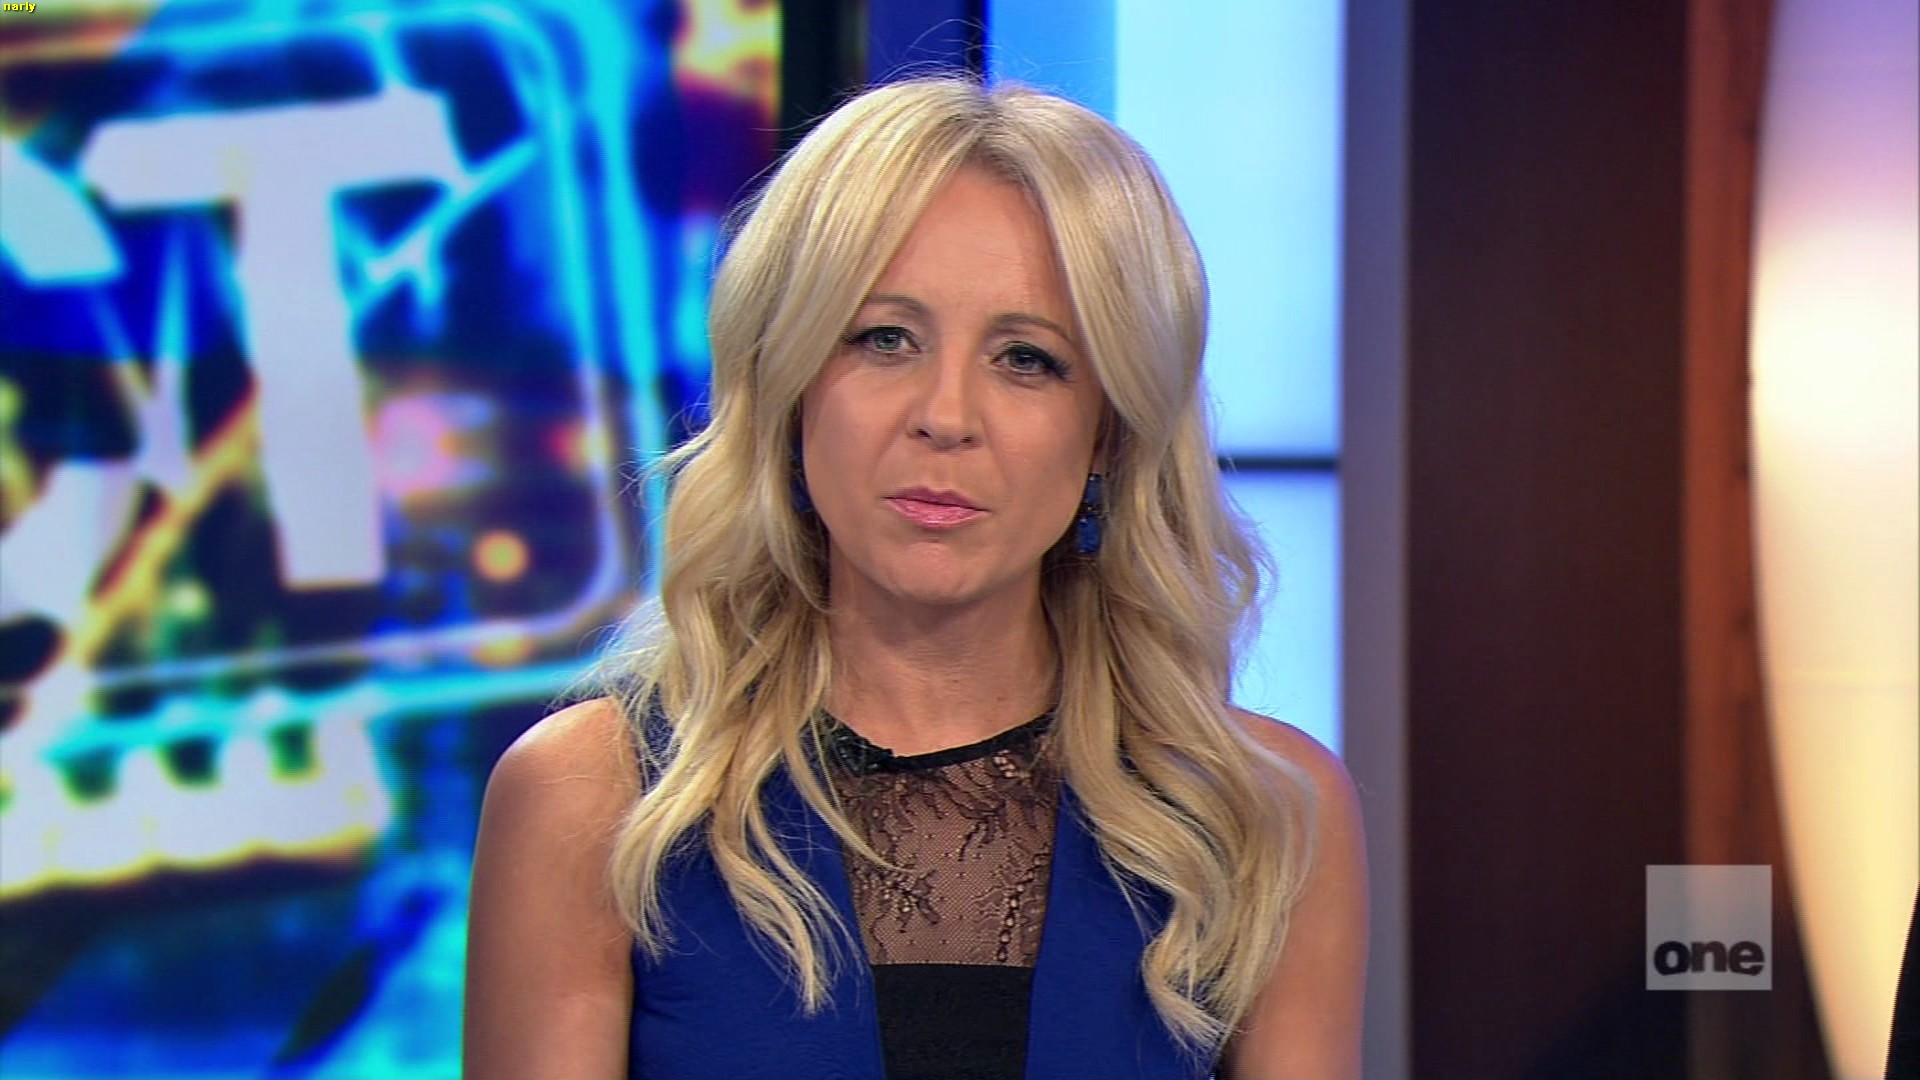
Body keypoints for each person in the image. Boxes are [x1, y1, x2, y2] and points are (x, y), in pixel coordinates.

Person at [462, 75, 1367, 1080]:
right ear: (790, 385)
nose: (945, 416)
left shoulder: (1266, 815)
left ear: (1109, 431)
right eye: (884, 339)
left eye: (1026, 359)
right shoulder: (592, 797)